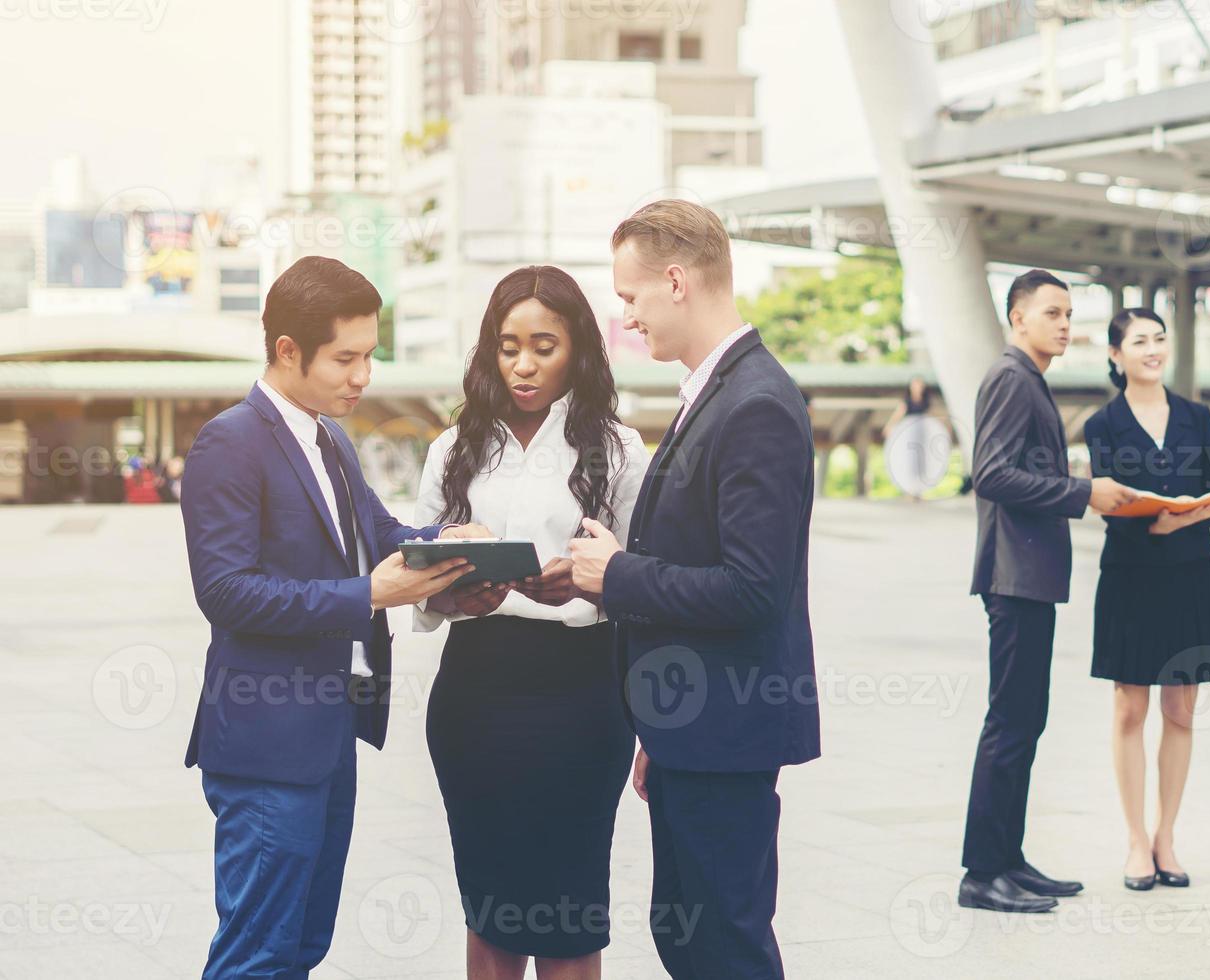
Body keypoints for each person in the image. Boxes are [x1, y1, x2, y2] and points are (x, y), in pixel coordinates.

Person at [180, 256, 490, 978]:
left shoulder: (328, 437)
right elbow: (225, 592)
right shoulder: (231, 441)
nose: (363, 376)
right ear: (288, 350)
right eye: (345, 358)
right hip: (263, 749)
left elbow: (381, 539)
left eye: (369, 356)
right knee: (256, 956)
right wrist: (367, 596)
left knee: (300, 948)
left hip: (325, 737)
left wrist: (451, 547)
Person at [567, 200, 820, 979]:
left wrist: (617, 574)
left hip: (728, 735)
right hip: (697, 730)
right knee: (688, 938)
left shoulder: (756, 406)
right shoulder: (718, 392)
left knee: (725, 946)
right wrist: (663, 731)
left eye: (630, 298)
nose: (628, 318)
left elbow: (752, 588)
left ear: (675, 281)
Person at [412, 265, 650, 979]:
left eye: (544, 345)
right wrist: (455, 595)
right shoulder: (452, 449)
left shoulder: (618, 449)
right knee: (491, 901)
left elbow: (646, 582)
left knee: (571, 907)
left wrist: (590, 583)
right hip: (475, 693)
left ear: (577, 348)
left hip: (582, 696)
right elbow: (418, 574)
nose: (523, 364)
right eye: (508, 345)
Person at [960, 268, 1137, 914]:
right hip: (1014, 577)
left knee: (1025, 721)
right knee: (1010, 722)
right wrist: (1084, 492)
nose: (1065, 323)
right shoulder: (1011, 377)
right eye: (1053, 312)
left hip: (1029, 576)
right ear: (1018, 319)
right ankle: (982, 872)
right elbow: (992, 474)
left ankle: (1008, 858)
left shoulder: (1028, 378)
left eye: (1069, 313)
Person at [1082, 307, 1210, 891]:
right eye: (1139, 341)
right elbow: (1108, 500)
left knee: (1180, 710)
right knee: (1129, 709)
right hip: (1131, 574)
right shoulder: (1102, 424)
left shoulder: (1196, 416)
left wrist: (1204, 513)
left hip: (1191, 573)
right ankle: (1135, 840)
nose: (1152, 349)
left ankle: (1167, 835)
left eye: (1159, 339)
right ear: (1117, 356)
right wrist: (1159, 521)